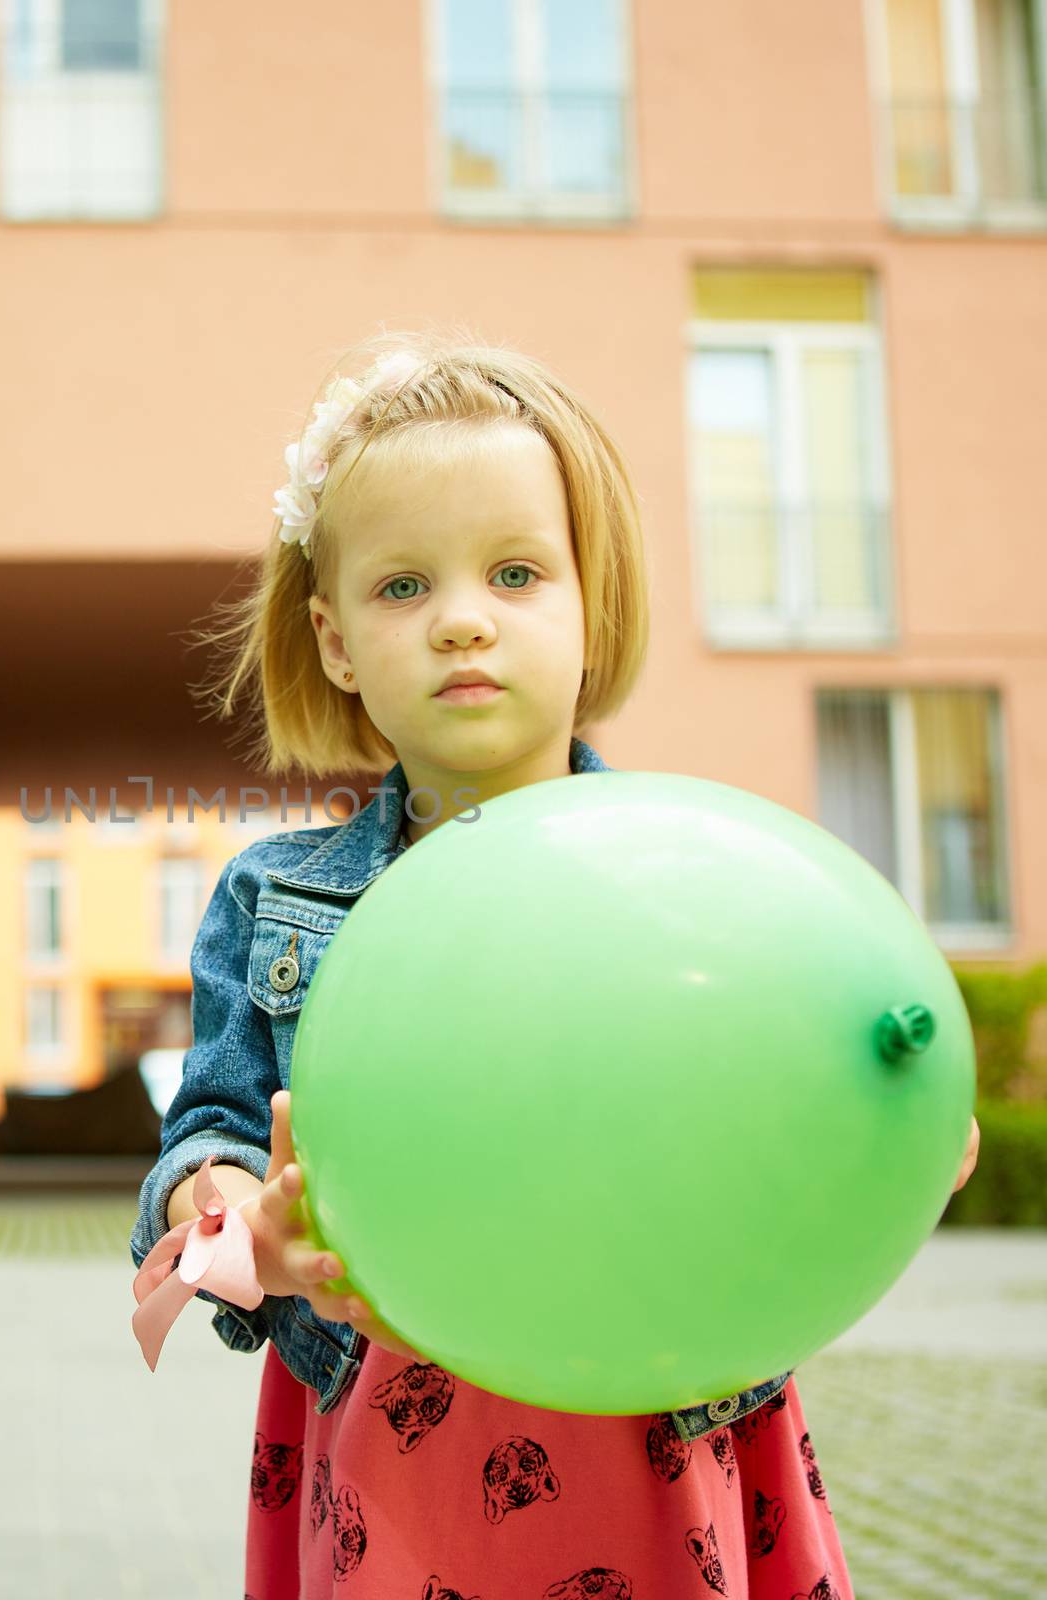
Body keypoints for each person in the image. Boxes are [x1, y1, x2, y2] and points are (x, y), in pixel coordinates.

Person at [129, 328, 980, 1600]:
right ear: (337, 640)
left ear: (594, 607)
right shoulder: (273, 898)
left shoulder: (702, 883)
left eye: (515, 573)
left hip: (653, 1415)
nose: (462, 619)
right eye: (402, 587)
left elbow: (776, 1106)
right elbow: (207, 1139)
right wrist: (242, 1226)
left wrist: (885, 1129)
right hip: (388, 1440)